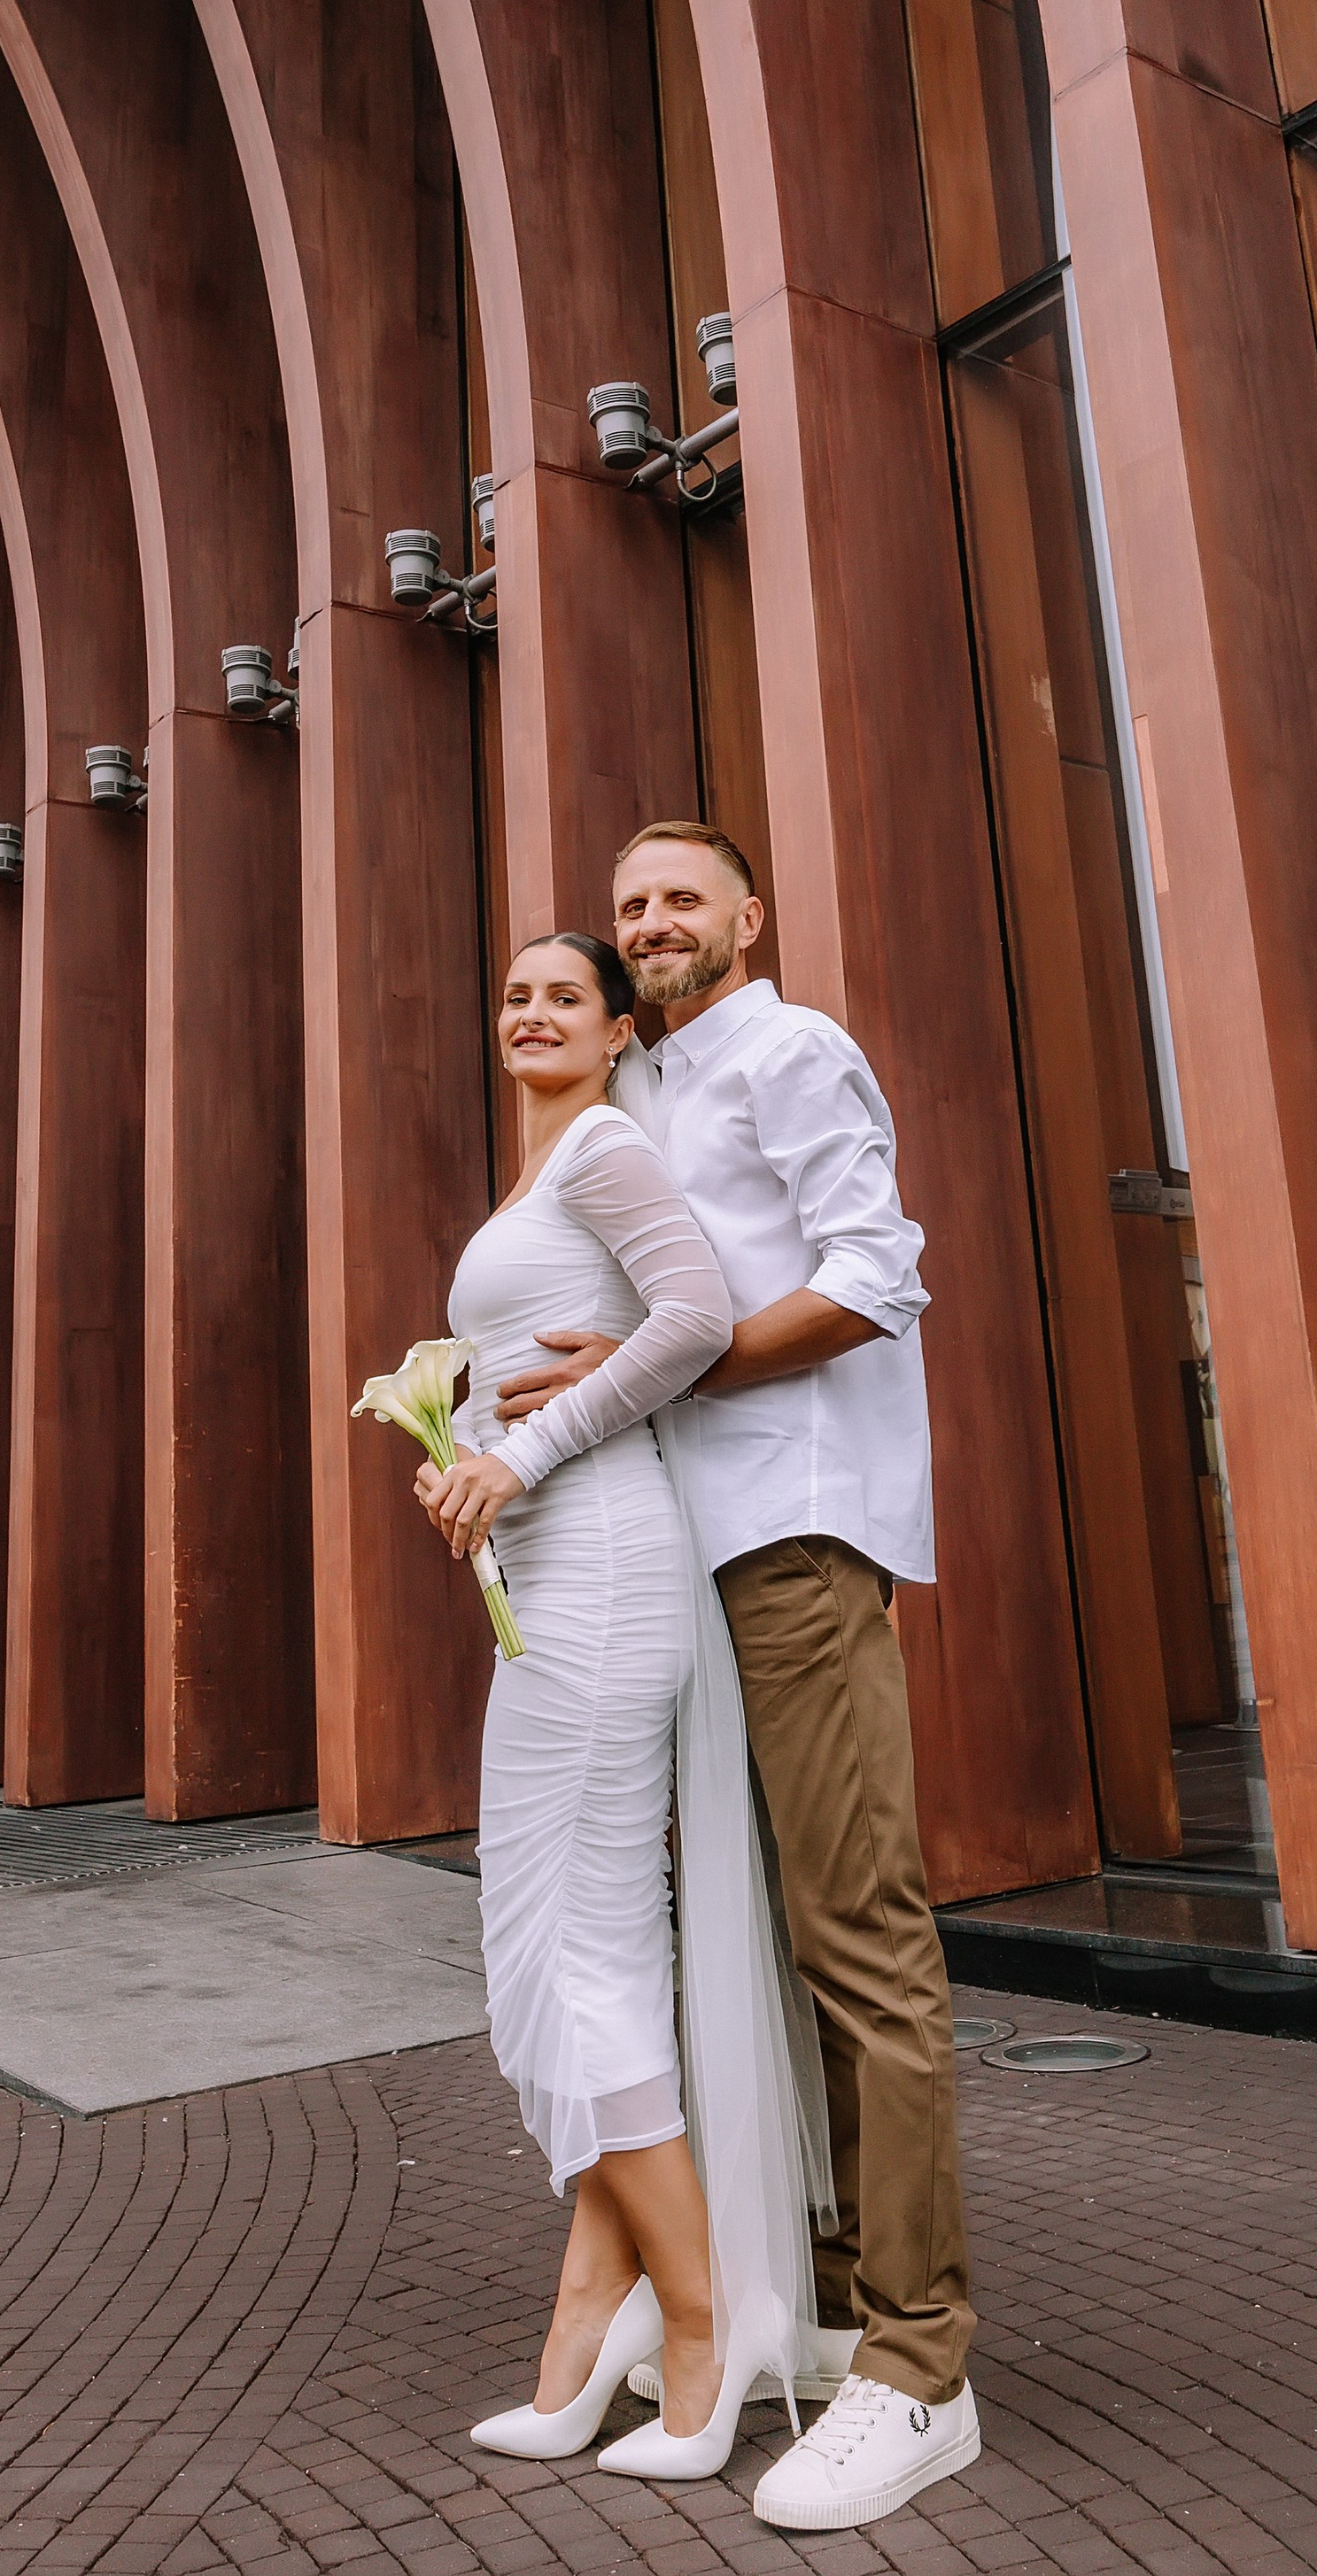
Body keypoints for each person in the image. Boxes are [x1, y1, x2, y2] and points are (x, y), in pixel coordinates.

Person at [496, 823, 980, 2534]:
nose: (648, 923)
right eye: (629, 904)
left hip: (794, 1528)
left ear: (748, 918)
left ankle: (921, 2366)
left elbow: (875, 1274)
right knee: (745, 1944)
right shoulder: (647, 1089)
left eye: (680, 898)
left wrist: (674, 1366)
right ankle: (826, 2298)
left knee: (858, 1933)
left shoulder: (791, 1049)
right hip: (677, 1552)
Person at [417, 929, 828, 2485]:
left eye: (564, 996)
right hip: (552, 1575)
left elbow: (697, 1316)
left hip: (598, 1570)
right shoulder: (547, 1172)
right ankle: (590, 2323)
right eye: (514, 992)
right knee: (577, 1943)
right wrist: (460, 1442)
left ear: (614, 1034)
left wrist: (518, 1454)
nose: (530, 1010)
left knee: (571, 1948)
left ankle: (708, 2318)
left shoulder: (601, 1147)